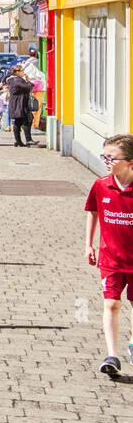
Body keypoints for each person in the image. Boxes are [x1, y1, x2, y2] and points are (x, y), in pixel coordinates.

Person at [85, 135, 133, 375]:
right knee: (112, 304)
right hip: (111, 258)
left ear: (130, 162)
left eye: (112, 158)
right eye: (104, 156)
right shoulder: (101, 185)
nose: (106, 161)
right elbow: (93, 211)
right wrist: (89, 244)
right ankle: (112, 355)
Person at [4, 64, 35, 146]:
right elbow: (27, 87)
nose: (23, 72)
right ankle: (27, 140)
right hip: (19, 105)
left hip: (18, 104)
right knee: (26, 120)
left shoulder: (15, 80)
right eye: (22, 71)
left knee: (19, 122)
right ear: (16, 72)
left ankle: (19, 141)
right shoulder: (16, 80)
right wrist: (28, 81)